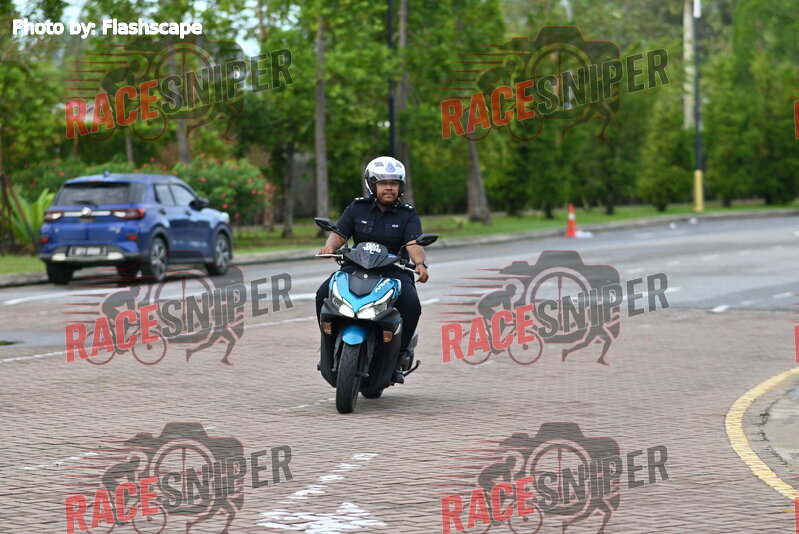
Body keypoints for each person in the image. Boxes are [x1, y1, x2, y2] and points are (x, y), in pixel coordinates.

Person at [315, 156, 429, 384]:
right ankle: (328, 346)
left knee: (412, 306)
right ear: (372, 184)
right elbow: (339, 234)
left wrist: (420, 264)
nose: (389, 187)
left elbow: (413, 243)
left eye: (394, 183)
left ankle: (398, 357)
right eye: (383, 183)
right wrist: (330, 247)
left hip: (394, 271)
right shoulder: (357, 208)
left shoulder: (407, 214)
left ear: (400, 187)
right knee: (322, 293)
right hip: (355, 266)